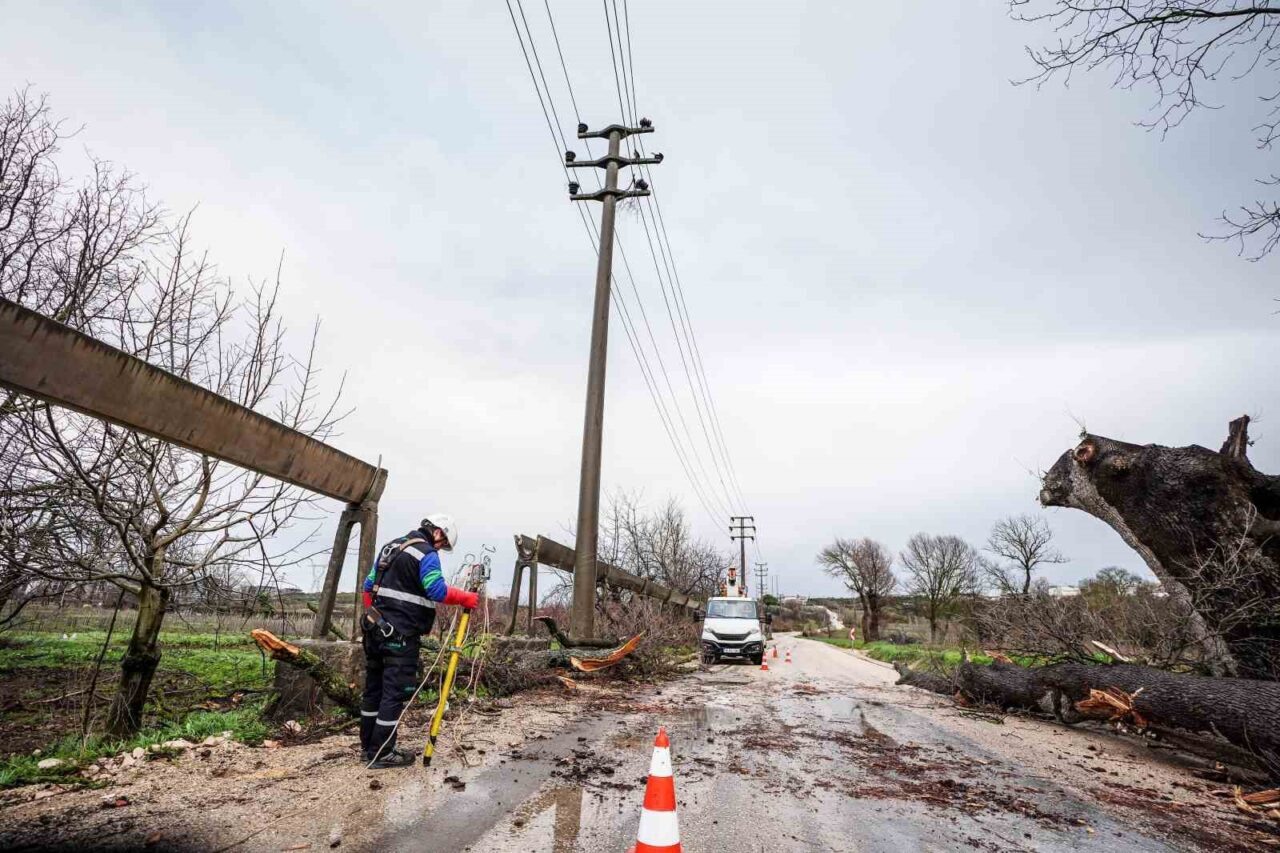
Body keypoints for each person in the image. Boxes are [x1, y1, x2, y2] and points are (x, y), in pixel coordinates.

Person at [359, 513, 479, 768]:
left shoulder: (390, 547)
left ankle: (368, 748)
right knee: (393, 694)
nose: (440, 548)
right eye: (442, 542)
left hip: (374, 631)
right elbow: (436, 590)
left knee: (373, 691)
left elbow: (368, 587)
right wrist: (465, 598)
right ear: (437, 532)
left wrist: (374, 619)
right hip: (400, 635)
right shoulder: (426, 554)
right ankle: (381, 753)